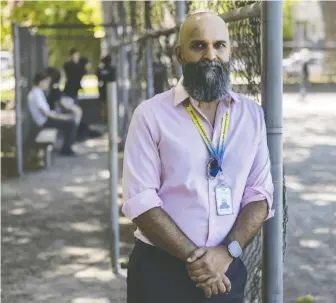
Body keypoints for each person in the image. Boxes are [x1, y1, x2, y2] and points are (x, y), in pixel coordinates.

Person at [122, 11, 274, 303]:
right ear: (180, 54)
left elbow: (260, 194)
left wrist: (226, 253)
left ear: (229, 51)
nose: (210, 55)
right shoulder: (151, 115)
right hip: (160, 272)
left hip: (227, 271)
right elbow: (140, 199)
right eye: (199, 46)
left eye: (219, 45)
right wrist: (198, 261)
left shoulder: (251, 115)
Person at [28, 72, 79, 156]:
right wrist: (60, 117)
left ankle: (66, 147)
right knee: (71, 123)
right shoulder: (36, 94)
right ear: (41, 82)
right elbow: (44, 112)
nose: (47, 85)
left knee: (69, 121)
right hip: (44, 122)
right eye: (46, 82)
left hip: (45, 120)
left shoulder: (37, 92)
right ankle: (66, 149)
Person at [96, 54, 116, 121]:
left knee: (103, 105)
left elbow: (98, 79)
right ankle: (109, 118)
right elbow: (113, 79)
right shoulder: (112, 69)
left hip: (102, 89)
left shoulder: (101, 70)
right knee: (109, 105)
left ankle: (103, 118)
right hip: (111, 90)